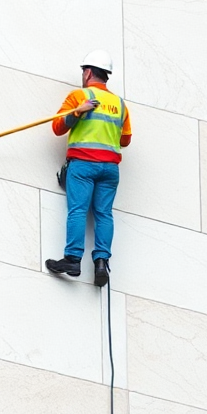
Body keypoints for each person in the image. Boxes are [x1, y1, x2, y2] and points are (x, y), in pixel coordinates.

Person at [45, 50, 132, 287]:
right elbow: (125, 140)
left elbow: (57, 128)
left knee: (78, 210)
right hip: (110, 169)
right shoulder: (120, 104)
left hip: (83, 164)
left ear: (88, 72)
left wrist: (77, 113)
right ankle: (101, 263)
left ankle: (73, 260)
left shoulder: (79, 96)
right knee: (104, 213)